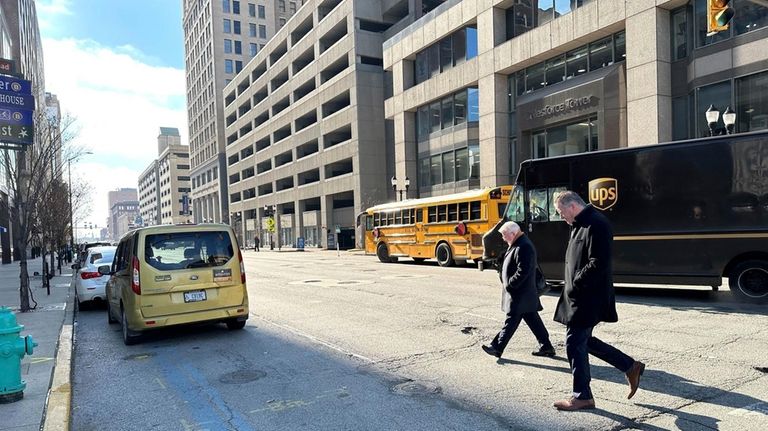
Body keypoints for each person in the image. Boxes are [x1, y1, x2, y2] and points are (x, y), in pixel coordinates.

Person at [552, 191, 645, 411]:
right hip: (578, 296)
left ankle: (583, 396)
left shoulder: (596, 223)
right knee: (583, 341)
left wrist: (576, 282)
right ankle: (630, 366)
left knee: (574, 343)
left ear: (572, 206)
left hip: (588, 296)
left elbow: (598, 262)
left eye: (561, 211)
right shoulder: (580, 223)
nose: (561, 216)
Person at [481, 221, 556, 360]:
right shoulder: (517, 243)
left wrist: (510, 284)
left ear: (513, 233)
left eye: (504, 235)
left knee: (511, 321)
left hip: (520, 293)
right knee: (532, 319)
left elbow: (524, 270)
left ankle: (497, 347)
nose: (503, 238)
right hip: (523, 294)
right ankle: (546, 346)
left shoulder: (524, 246)